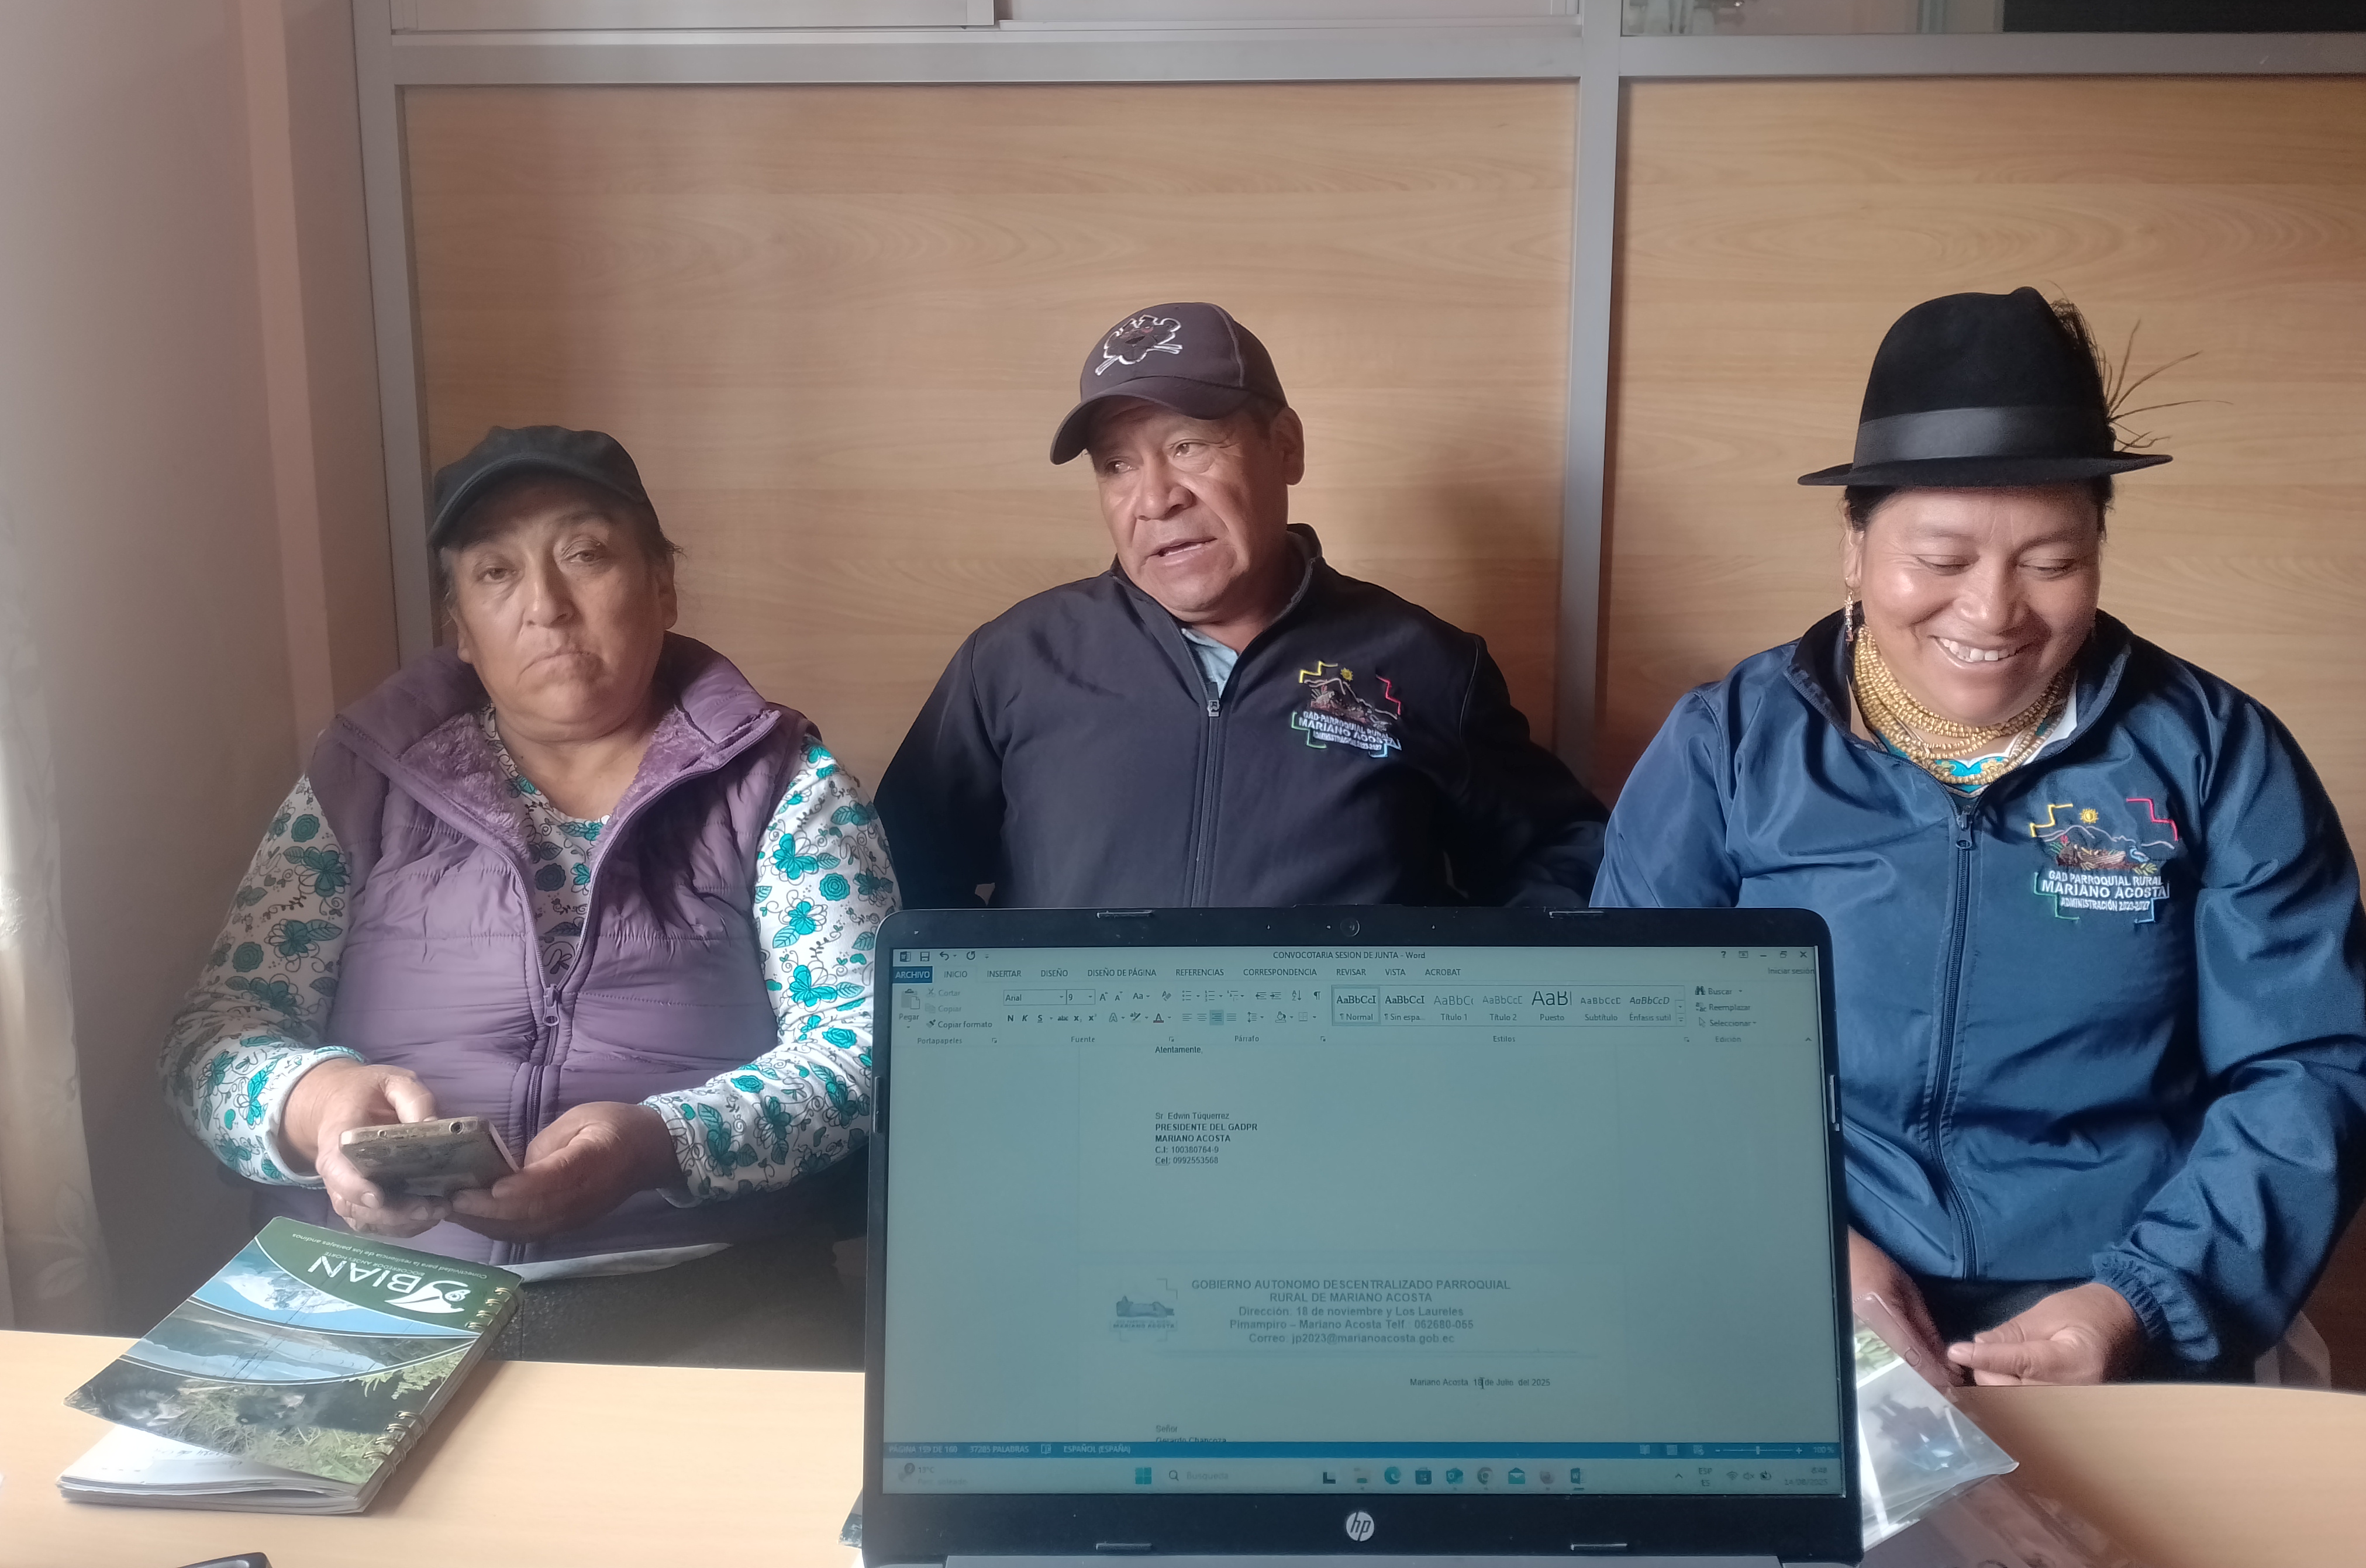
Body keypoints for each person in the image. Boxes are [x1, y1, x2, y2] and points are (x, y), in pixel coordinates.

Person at [1594, 289, 2366, 1384]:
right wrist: (1804, 1250)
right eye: (1942, 558)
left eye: (2051, 564)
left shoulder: (2218, 754)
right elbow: (1629, 1041)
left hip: (2117, 1281)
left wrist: (2138, 1303)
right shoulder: (1727, 746)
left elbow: (2310, 1066)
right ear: (1855, 549)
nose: (1994, 610)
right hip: (1792, 1263)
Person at [161, 426, 895, 1364]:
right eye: (496, 573)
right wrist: (316, 1105)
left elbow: (866, 1049)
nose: (546, 606)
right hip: (359, 1289)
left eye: (585, 555)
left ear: (663, 586)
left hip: (707, 1289)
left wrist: (658, 1143)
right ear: (461, 629)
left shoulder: (785, 784)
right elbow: (212, 1039)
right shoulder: (359, 780)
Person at [876, 302, 1606, 909]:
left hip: (1335, 1045)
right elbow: (895, 872)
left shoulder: (1427, 663)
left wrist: (1460, 998)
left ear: (1285, 448)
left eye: (1188, 446)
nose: (1155, 499)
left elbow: (1563, 853)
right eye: (1117, 465)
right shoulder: (1014, 660)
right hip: (1080, 1044)